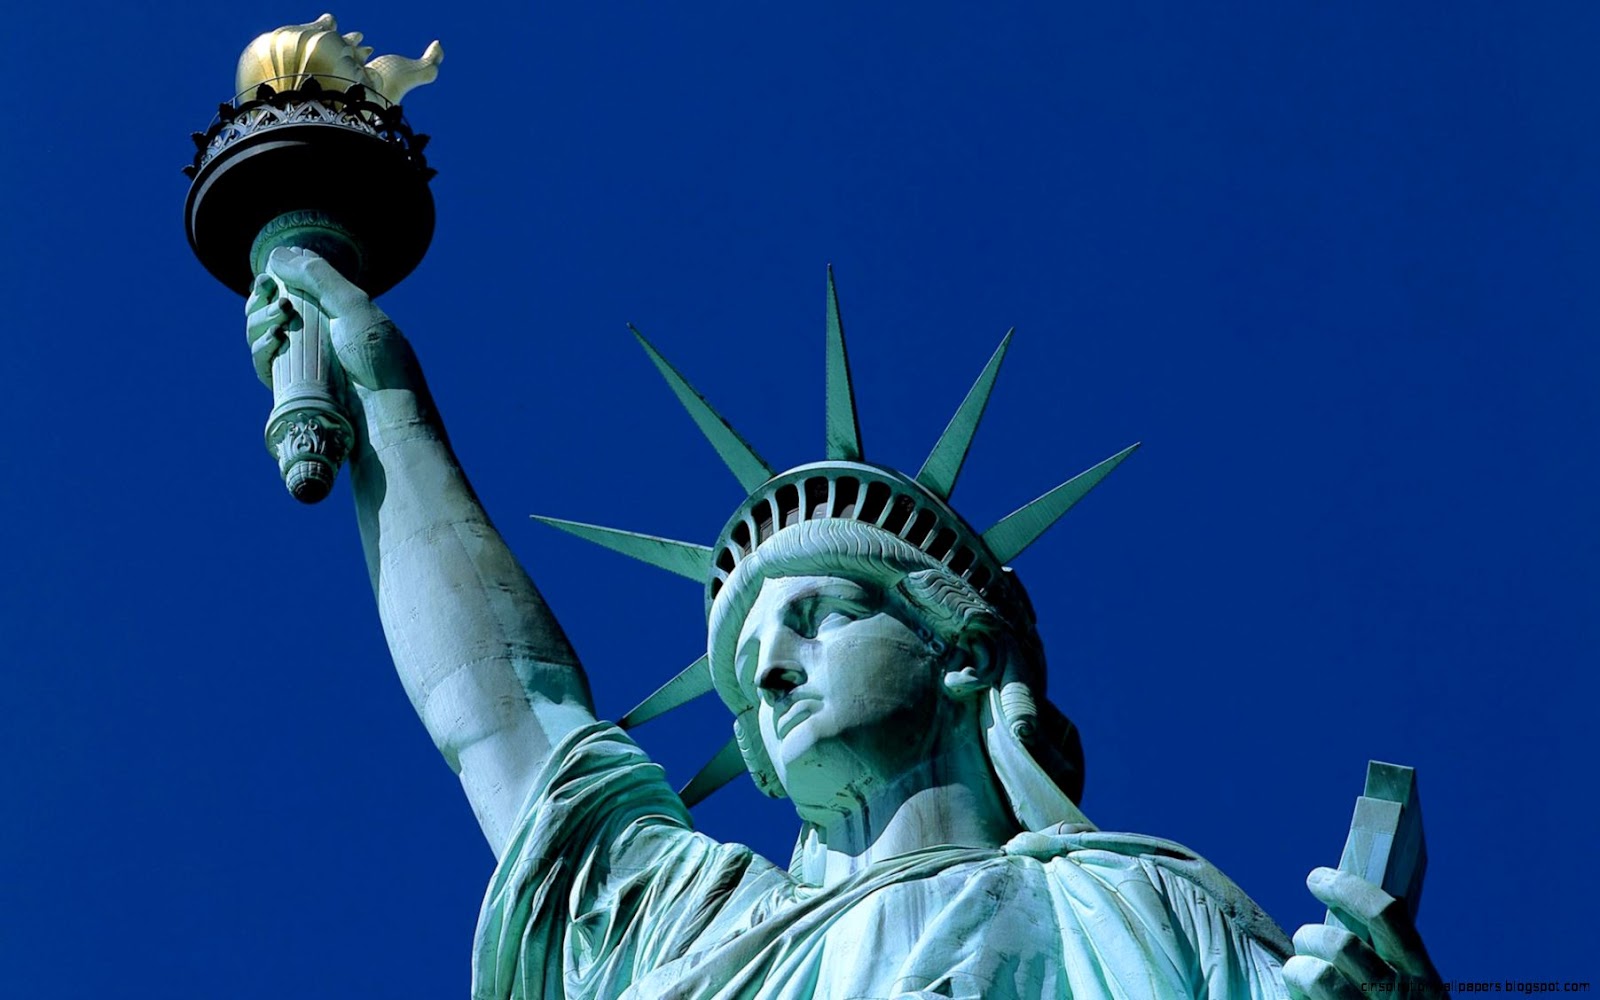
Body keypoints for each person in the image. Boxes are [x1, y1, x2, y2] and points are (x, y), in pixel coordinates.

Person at [246, 247, 1446, 1000]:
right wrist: (384, 397)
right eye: (747, 657)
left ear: (961, 653)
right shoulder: (694, 927)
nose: (768, 667)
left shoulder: (1142, 911)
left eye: (818, 614)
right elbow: (508, 712)